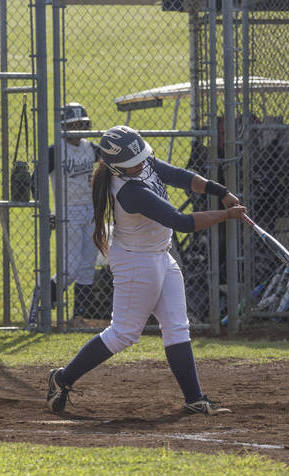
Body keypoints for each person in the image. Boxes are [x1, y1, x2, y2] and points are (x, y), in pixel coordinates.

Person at [46, 125, 246, 415]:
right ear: (117, 167)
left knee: (177, 327)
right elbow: (181, 221)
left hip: (160, 255)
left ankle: (195, 398)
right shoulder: (128, 192)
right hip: (135, 262)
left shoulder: (142, 162)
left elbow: (178, 176)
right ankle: (61, 379)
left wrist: (220, 191)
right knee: (123, 334)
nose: (141, 164)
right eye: (133, 162)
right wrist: (226, 215)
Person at [34, 103, 101, 327]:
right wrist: (46, 211)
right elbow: (37, 181)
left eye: (81, 124)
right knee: (70, 269)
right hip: (67, 211)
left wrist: (101, 178)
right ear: (63, 126)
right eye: (73, 124)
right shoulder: (55, 151)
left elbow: (111, 167)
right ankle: (41, 300)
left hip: (91, 211)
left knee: (87, 267)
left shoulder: (91, 148)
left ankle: (78, 317)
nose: (78, 128)